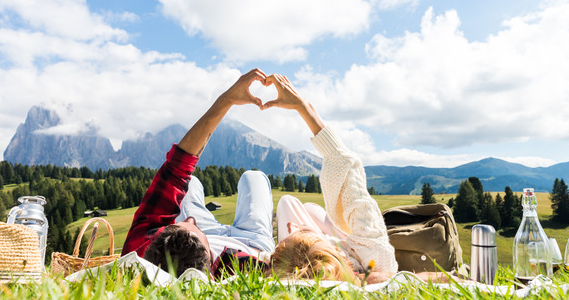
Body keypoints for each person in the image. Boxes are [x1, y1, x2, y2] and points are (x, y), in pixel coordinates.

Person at [263, 74, 453, 284]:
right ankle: (311, 236)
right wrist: (304, 107)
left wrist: (301, 239)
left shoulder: (322, 275)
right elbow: (349, 172)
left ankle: (306, 235)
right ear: (338, 254)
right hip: (352, 252)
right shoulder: (375, 260)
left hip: (324, 260)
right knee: (298, 207)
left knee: (294, 204)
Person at [121, 69, 276, 278]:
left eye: (180, 224)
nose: (191, 219)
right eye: (192, 225)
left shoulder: (141, 249)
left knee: (190, 182)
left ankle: (195, 232)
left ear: (159, 235)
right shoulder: (243, 269)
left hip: (208, 232)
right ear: (210, 264)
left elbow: (177, 169)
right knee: (253, 177)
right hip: (252, 242)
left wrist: (226, 100)